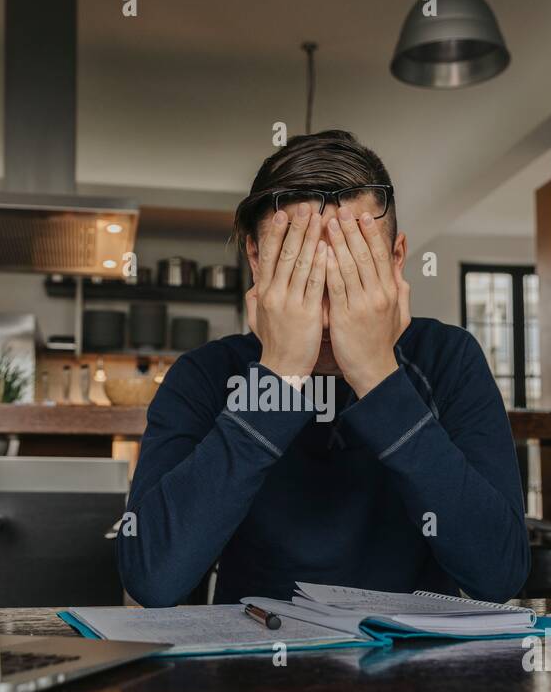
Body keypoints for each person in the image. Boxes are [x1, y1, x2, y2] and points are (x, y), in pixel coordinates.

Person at [116, 130, 528, 607]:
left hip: (416, 665)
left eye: (355, 269)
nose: (328, 309)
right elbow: (152, 579)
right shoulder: (205, 377)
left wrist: (377, 375)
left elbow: (499, 576)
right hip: (250, 663)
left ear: (396, 260)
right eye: (300, 271)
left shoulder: (448, 359)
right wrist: (277, 375)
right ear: (256, 259)